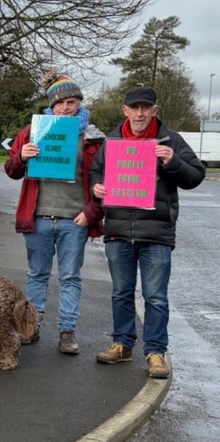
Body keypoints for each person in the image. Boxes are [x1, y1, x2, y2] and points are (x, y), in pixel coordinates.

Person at [90, 87, 204, 379]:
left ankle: (155, 352)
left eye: (146, 108)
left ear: (155, 109)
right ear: (124, 110)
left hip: (156, 232)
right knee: (121, 293)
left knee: (155, 297)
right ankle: (122, 344)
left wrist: (173, 161)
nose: (140, 113)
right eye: (134, 108)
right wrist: (97, 187)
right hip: (118, 229)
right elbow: (96, 172)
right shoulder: (112, 140)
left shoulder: (171, 139)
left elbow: (196, 175)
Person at [3, 72, 105, 355]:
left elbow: (104, 182)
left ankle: (67, 332)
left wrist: (91, 213)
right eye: (60, 104)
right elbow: (11, 171)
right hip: (39, 218)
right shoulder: (33, 131)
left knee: (71, 277)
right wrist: (22, 156)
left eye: (71, 102)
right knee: (37, 274)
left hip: (75, 220)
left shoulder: (93, 138)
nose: (65, 108)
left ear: (79, 104)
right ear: (51, 106)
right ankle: (31, 327)